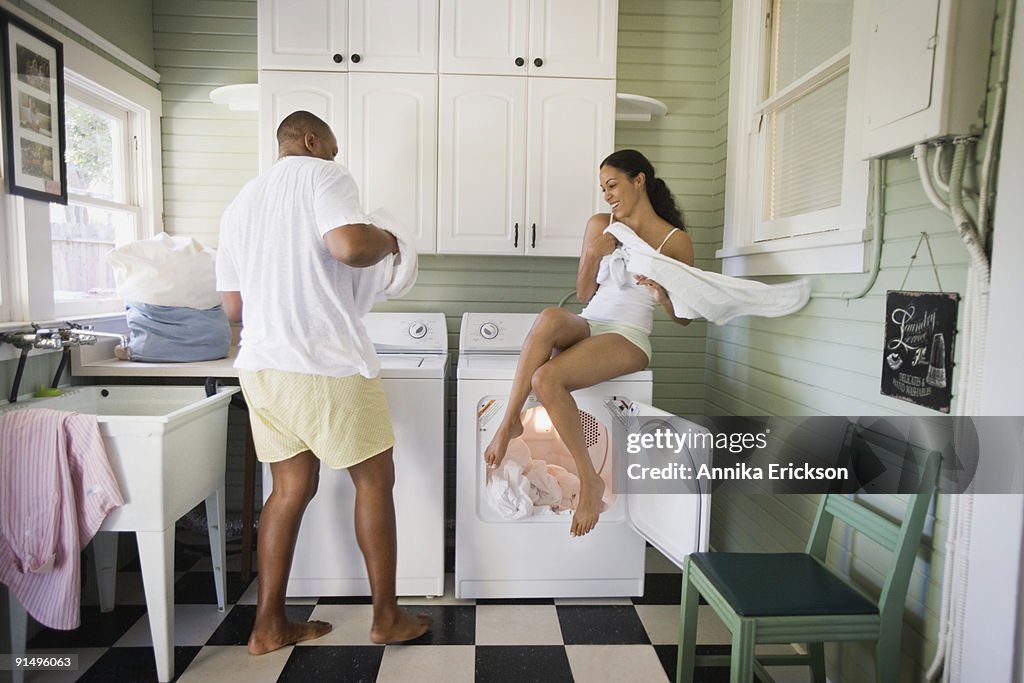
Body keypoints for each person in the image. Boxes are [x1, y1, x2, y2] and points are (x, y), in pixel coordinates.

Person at [216, 110, 431, 654]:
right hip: (323, 360)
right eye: (331, 147)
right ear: (310, 141)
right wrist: (390, 237)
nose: (336, 156)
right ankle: (386, 618)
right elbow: (351, 247)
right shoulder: (323, 174)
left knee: (288, 490)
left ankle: (268, 626)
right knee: (375, 481)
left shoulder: (240, 203)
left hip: (262, 367)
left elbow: (234, 305)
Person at [483, 149, 693, 538]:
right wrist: (595, 253)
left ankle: (590, 482)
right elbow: (583, 293)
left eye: (613, 185)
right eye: (603, 189)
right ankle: (510, 418)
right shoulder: (601, 224)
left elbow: (684, 317)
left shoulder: (675, 241)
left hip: (628, 334)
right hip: (592, 320)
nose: (608, 195)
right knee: (549, 316)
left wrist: (664, 295)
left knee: (546, 381)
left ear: (639, 180)